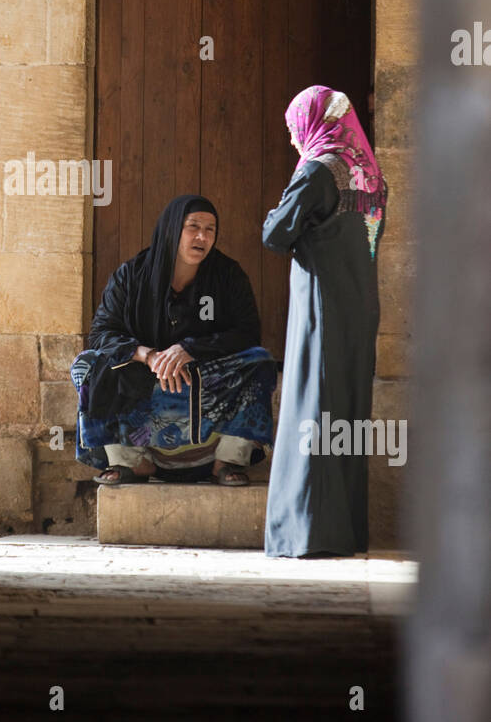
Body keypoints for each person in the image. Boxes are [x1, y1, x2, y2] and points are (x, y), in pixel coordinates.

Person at [71, 193, 277, 486]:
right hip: (143, 376)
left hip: (206, 377)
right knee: (87, 365)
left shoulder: (227, 275)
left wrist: (189, 349)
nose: (202, 237)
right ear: (171, 229)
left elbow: (247, 332)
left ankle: (227, 460)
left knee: (260, 361)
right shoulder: (131, 275)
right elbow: (102, 333)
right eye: (193, 227)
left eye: (210, 230)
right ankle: (131, 461)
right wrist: (148, 355)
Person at [262, 86, 388, 557]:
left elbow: (276, 234)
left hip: (322, 306)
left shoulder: (319, 171)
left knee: (311, 409)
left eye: (296, 130)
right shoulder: (370, 174)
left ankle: (305, 533)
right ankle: (346, 532)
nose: (296, 140)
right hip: (361, 307)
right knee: (346, 412)